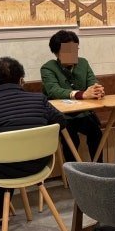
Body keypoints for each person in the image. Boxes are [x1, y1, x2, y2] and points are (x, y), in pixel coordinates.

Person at [0, 57, 67, 223]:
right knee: (7, 154)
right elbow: (61, 122)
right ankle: (0, 212)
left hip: (2, 170)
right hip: (39, 164)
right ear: (21, 79)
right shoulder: (39, 99)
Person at [40, 30, 105, 160]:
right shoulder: (48, 68)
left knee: (96, 134)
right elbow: (53, 90)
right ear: (56, 52)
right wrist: (81, 94)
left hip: (84, 113)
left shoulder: (83, 63)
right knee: (71, 140)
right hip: (62, 115)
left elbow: (92, 82)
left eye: (75, 50)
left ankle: (99, 168)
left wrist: (97, 90)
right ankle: (72, 171)